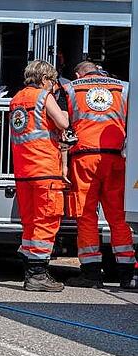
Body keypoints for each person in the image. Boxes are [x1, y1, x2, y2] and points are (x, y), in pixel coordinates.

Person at [63, 61, 137, 288]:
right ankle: (127, 275)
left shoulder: (72, 88)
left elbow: (63, 122)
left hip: (84, 158)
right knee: (118, 217)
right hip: (115, 158)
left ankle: (91, 274)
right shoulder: (123, 87)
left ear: (79, 74)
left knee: (86, 215)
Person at [9, 60, 69, 292]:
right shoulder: (44, 97)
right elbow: (62, 122)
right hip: (45, 170)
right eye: (52, 81)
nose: (54, 86)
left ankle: (30, 270)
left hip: (23, 172)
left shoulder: (16, 99)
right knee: (46, 221)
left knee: (30, 222)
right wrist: (63, 115)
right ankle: (37, 275)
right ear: (44, 79)